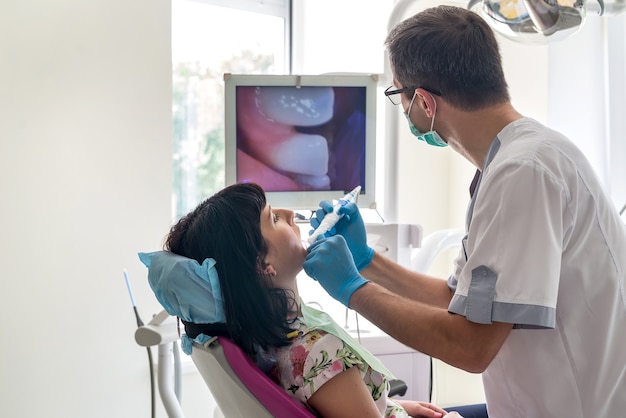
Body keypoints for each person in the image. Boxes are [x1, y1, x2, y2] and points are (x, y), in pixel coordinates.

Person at [303, 5, 626, 418]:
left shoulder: (523, 172)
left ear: (423, 101)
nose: (404, 111)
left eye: (397, 95)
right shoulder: (516, 159)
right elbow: (457, 300)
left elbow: (471, 347)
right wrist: (367, 263)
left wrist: (352, 290)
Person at [142, 182, 461, 418]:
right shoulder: (316, 350)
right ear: (262, 266)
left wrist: (390, 406)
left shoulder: (266, 344)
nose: (290, 214)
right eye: (274, 219)